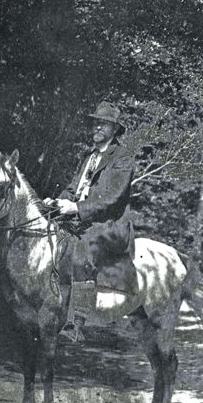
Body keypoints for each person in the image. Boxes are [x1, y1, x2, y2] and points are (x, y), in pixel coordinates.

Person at [44, 100, 136, 282]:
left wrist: (76, 208)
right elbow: (72, 190)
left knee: (79, 251)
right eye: (96, 123)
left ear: (115, 129)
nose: (98, 127)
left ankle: (81, 308)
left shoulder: (123, 157)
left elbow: (112, 197)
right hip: (83, 220)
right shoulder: (89, 157)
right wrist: (55, 203)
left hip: (110, 225)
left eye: (104, 124)